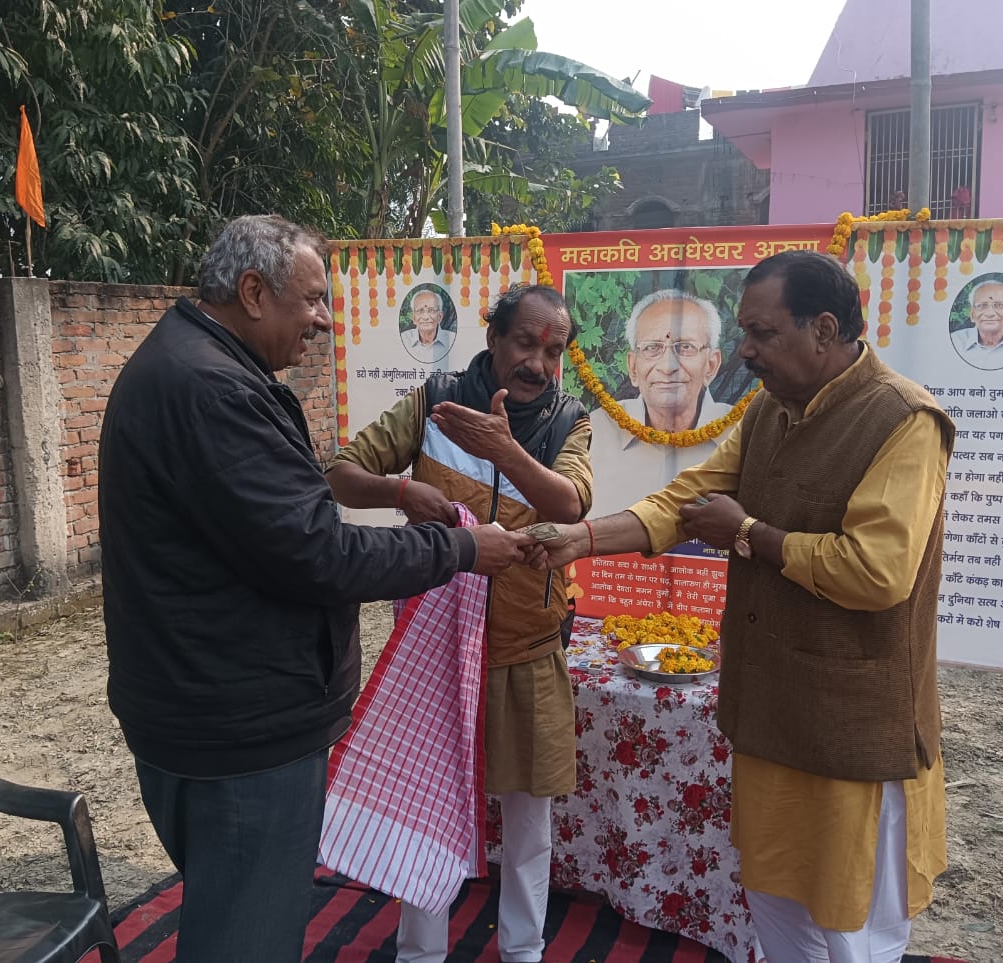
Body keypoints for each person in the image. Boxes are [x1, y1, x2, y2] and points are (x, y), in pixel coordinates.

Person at [98, 214, 534, 963]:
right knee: (245, 935)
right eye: (311, 300)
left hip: (204, 707)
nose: (325, 321)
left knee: (228, 906)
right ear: (252, 292)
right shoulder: (214, 389)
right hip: (241, 731)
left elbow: (280, 529)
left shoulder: (191, 365)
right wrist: (461, 547)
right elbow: (317, 551)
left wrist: (402, 495)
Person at [530, 250, 953, 963]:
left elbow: (878, 572)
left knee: (851, 923)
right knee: (775, 899)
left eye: (762, 333)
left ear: (824, 329)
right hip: (770, 711)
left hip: (852, 725)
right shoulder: (771, 412)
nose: (746, 352)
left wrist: (751, 534)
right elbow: (687, 499)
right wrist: (582, 539)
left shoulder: (903, 419)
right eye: (744, 333)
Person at [326, 283, 593, 963]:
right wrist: (399, 489)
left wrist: (505, 450)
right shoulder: (435, 401)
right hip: (435, 646)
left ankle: (523, 949)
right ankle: (421, 953)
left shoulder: (569, 420)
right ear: (494, 337)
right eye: (526, 343)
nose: (539, 364)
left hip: (528, 646)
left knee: (529, 818)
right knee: (427, 803)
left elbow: (570, 504)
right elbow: (341, 473)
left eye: (554, 351)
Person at [588, 289, 734, 517]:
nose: (668, 367)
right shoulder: (595, 432)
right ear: (633, 367)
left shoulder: (742, 434)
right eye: (651, 348)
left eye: (685, 347)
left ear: (711, 365)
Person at [950, 279, 1003, 370]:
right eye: (982, 306)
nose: (990, 313)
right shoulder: (956, 341)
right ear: (972, 314)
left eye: (999, 305)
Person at [401, 287, 455, 362]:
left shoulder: (451, 340)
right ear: (414, 318)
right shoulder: (404, 339)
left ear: (440, 317)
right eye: (420, 311)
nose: (425, 317)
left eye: (431, 310)